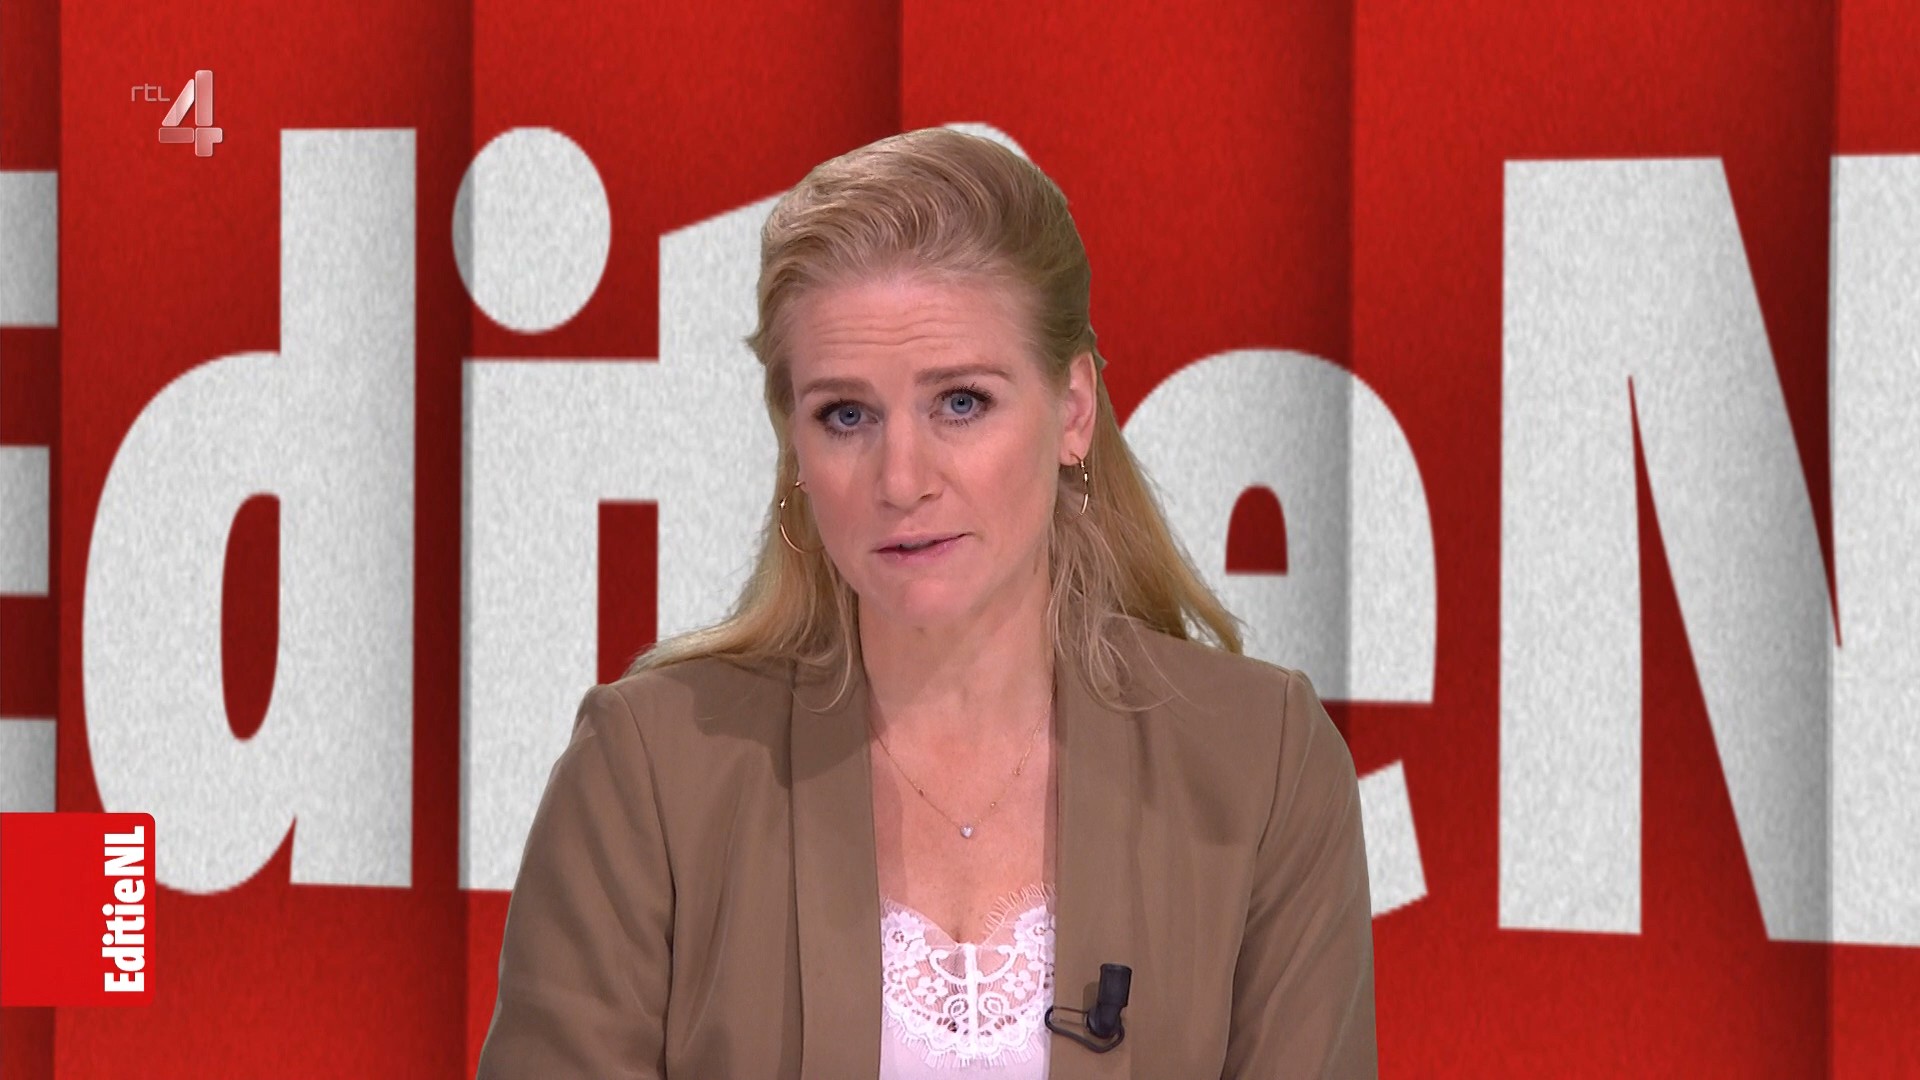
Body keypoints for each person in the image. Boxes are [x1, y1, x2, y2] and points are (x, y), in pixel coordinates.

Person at [475, 126, 1375, 1079]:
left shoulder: (1264, 764)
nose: (901, 479)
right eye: (846, 415)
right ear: (796, 449)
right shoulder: (649, 774)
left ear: (1073, 410)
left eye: (961, 403)